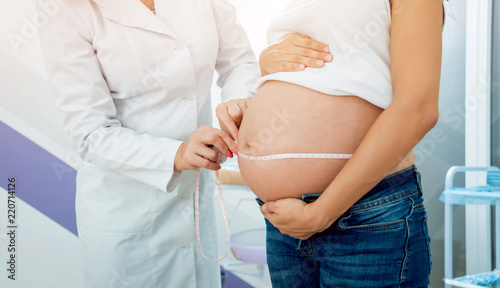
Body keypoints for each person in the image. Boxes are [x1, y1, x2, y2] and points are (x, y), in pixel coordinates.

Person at [217, 0, 442, 286]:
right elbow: (335, 70)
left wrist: (320, 214)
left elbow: (417, 109)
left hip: (364, 217)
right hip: (283, 223)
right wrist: (268, 64)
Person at [39, 0, 259, 286]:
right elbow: (90, 133)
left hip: (194, 205)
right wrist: (177, 153)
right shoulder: (65, 11)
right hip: (126, 212)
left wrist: (237, 103)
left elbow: (239, 62)